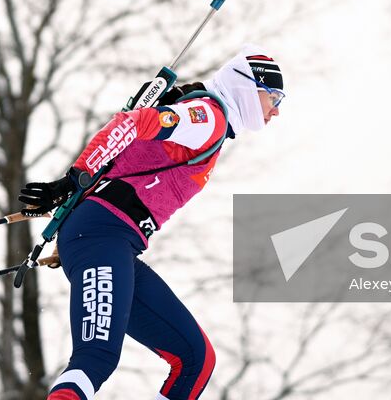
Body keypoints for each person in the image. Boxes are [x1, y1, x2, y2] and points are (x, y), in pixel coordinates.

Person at [19, 45, 285, 400]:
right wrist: (74, 180)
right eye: (274, 97)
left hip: (111, 241)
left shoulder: (212, 125)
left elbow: (126, 163)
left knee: (196, 359)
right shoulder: (207, 118)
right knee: (95, 359)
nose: (277, 110)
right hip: (102, 235)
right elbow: (131, 123)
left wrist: (78, 236)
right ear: (248, 88)